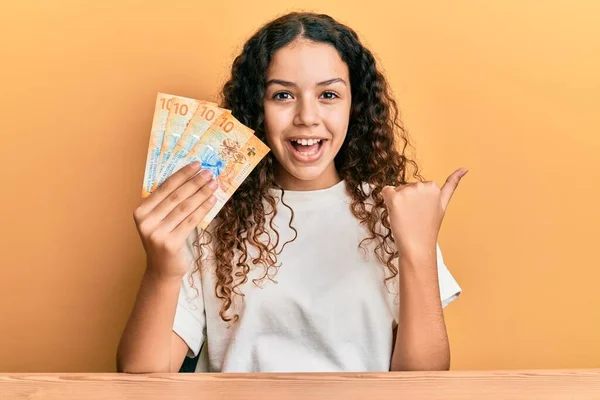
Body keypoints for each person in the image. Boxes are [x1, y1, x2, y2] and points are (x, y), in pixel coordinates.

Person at [117, 11, 468, 373]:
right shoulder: (210, 215)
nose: (307, 116)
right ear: (257, 109)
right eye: (283, 95)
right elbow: (143, 378)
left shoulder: (392, 214)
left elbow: (424, 381)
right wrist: (161, 272)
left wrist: (419, 250)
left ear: (355, 106)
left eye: (328, 94)